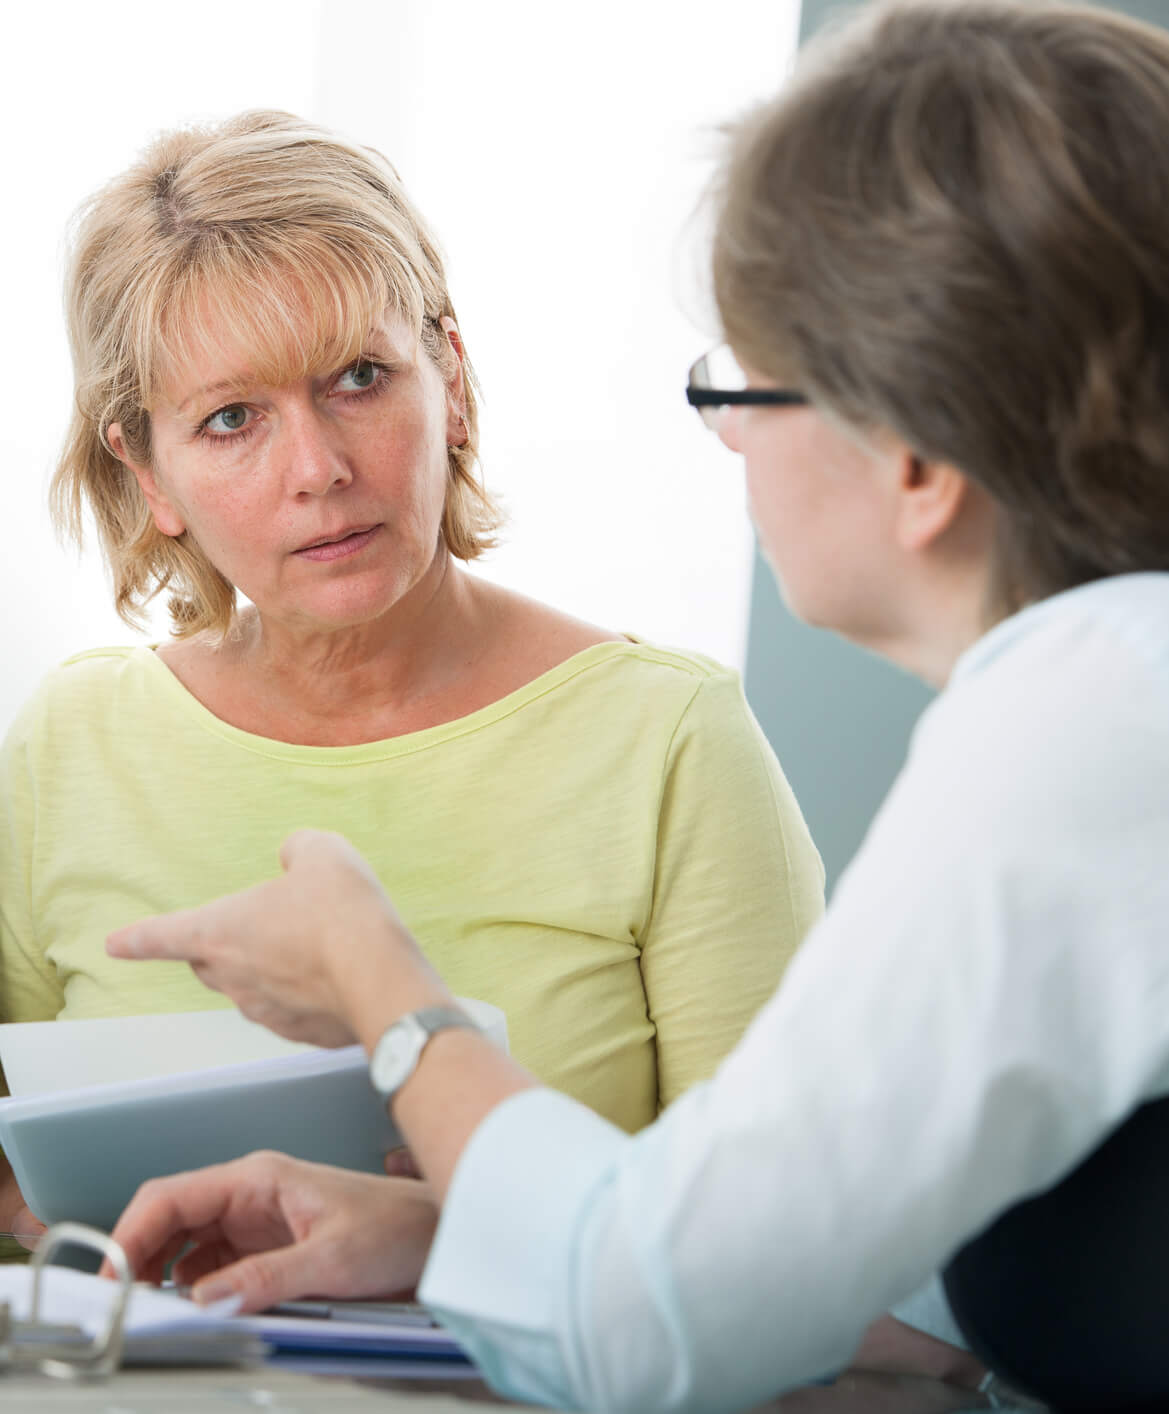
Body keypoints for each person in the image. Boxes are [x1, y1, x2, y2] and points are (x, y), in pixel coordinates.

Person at [104, 2, 1169, 1409]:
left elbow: (646, 1324)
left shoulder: (1078, 726)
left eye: (739, 383)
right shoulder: (1105, 693)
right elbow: (815, 1269)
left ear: (910, 454)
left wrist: (384, 988)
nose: (728, 440)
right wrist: (444, 1234)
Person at [0, 111, 823, 1230]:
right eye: (233, 419)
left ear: (452, 380)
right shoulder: (69, 741)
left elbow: (772, 1233)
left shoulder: (671, 738)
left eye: (361, 378)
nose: (319, 467)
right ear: (147, 475)